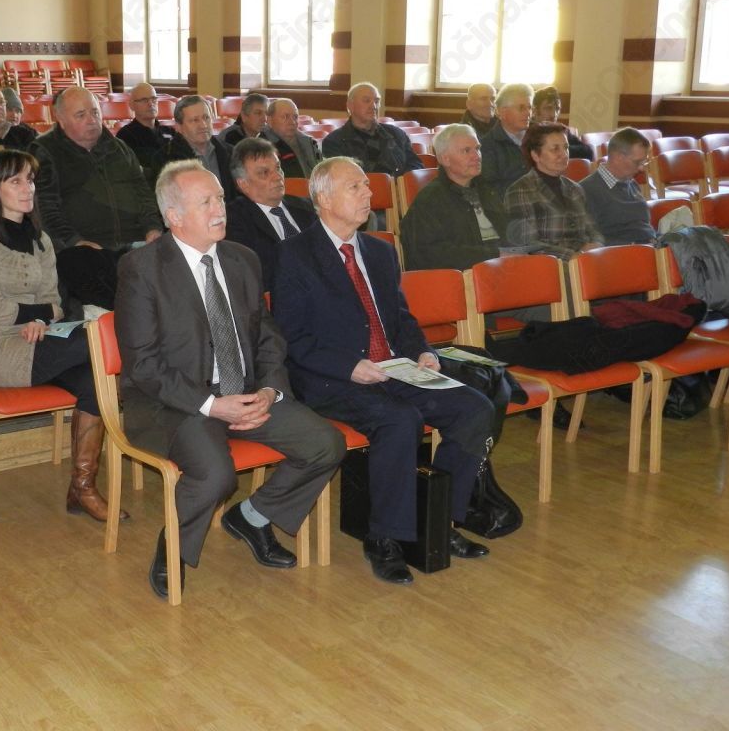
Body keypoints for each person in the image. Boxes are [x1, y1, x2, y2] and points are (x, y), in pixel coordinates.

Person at [115, 160, 345, 601]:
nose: (219, 208)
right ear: (174, 216)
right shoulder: (142, 268)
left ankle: (253, 518)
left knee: (325, 444)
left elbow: (268, 335)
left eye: (220, 197)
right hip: (177, 403)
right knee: (216, 474)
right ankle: (174, 549)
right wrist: (211, 405)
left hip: (246, 393)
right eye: (206, 202)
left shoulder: (242, 259)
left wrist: (270, 390)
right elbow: (143, 364)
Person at [272, 157, 495, 586]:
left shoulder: (379, 251)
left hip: (395, 367)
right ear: (323, 199)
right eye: (355, 187)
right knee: (399, 420)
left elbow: (400, 318)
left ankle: (439, 522)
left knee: (474, 409)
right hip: (331, 378)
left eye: (366, 185)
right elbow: (291, 337)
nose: (368, 193)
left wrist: (422, 352)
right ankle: (384, 537)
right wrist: (349, 367)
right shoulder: (295, 255)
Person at [0, 149, 125, 522]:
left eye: (30, 180)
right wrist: (40, 314)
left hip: (41, 339)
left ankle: (82, 488)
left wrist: (41, 318)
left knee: (95, 379)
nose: (27, 188)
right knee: (99, 337)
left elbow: (55, 303)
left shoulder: (41, 239)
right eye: (16, 181)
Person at [29, 86, 163, 309]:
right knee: (87, 269)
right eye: (81, 115)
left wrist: (153, 227)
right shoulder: (45, 152)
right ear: (61, 119)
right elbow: (45, 208)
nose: (91, 120)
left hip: (135, 243)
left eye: (95, 112)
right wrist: (75, 241)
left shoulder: (119, 148)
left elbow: (143, 193)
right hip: (86, 251)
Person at [400, 124, 507, 271]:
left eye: (477, 148)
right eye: (466, 151)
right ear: (445, 159)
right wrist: (493, 255)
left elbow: (506, 231)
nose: (477, 156)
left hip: (499, 267)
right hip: (460, 277)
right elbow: (429, 254)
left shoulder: (486, 190)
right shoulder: (429, 201)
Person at [225, 137, 316, 290]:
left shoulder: (307, 207)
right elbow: (257, 274)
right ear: (243, 184)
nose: (278, 176)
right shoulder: (234, 220)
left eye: (278, 168)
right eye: (264, 173)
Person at [504, 122, 603, 259]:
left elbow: (593, 230)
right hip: (549, 265)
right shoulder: (521, 190)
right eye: (555, 149)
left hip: (583, 260)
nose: (564, 154)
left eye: (566, 147)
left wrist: (596, 245)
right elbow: (528, 244)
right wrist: (572, 256)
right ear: (536, 155)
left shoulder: (575, 189)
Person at [321, 82, 422, 177]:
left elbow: (415, 165)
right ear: (350, 106)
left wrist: (401, 183)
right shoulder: (334, 142)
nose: (374, 106)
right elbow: (338, 178)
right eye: (366, 101)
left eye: (377, 101)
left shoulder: (396, 134)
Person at [151, 95, 237, 202]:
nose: (203, 125)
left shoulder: (230, 152)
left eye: (206, 118)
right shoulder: (165, 159)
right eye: (194, 120)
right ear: (179, 127)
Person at [580, 127, 655, 246]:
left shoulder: (631, 183)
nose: (641, 168)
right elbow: (592, 239)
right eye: (637, 162)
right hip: (623, 251)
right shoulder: (587, 190)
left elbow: (643, 225)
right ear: (618, 157)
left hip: (648, 246)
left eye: (643, 162)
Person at [479, 83, 534, 199]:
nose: (528, 113)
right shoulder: (487, 146)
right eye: (521, 108)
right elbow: (491, 191)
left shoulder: (539, 138)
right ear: (502, 112)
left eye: (529, 107)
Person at [115, 82, 174, 177]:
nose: (151, 104)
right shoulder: (125, 136)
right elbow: (132, 170)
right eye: (144, 100)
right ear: (132, 105)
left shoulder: (169, 131)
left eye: (154, 99)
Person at [262, 98, 321, 179]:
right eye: (285, 117)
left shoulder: (309, 142)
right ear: (269, 120)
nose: (292, 122)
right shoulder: (261, 145)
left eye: (295, 117)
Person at [532, 86, 594, 160]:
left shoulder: (562, 130)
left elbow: (588, 151)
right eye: (548, 108)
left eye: (557, 109)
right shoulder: (528, 133)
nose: (554, 114)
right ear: (535, 111)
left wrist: (560, 148)